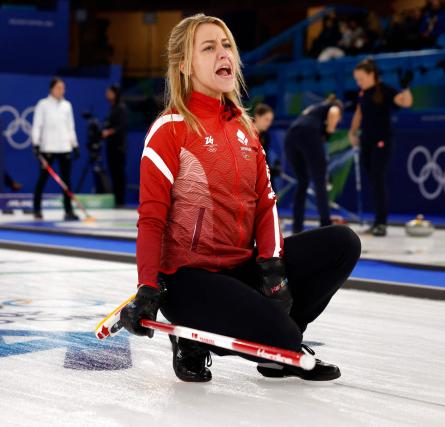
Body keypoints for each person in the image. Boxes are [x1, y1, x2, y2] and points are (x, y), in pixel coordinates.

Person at [120, 14, 361, 383]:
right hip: (189, 278)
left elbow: (266, 203)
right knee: (284, 336)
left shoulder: (245, 128)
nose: (223, 54)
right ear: (185, 65)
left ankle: (282, 348)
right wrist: (148, 287)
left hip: (239, 268)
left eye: (227, 45)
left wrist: (272, 267)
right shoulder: (169, 130)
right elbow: (151, 218)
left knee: (342, 243)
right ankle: (193, 342)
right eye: (209, 47)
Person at [349, 59, 413, 237]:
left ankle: (381, 222)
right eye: (357, 79)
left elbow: (405, 102)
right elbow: (359, 112)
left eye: (361, 78)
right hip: (366, 141)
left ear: (371, 75)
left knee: (378, 178)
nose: (358, 82)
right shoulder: (363, 93)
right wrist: (352, 132)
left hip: (382, 141)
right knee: (373, 180)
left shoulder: (384, 90)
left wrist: (406, 87)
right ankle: (377, 220)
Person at [284, 95, 342, 234]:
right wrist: (329, 131)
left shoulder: (313, 108)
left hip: (291, 136)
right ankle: (326, 226)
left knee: (302, 182)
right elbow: (334, 113)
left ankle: (297, 227)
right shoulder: (334, 107)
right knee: (320, 182)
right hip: (308, 135)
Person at [31, 77, 80, 221]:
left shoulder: (67, 105)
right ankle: (37, 208)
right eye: (59, 88)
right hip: (48, 148)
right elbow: (37, 125)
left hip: (64, 147)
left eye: (63, 88)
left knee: (66, 181)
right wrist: (36, 144)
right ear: (51, 89)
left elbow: (70, 127)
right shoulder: (43, 104)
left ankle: (68, 210)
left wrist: (74, 145)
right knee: (42, 179)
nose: (62, 91)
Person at [102, 84, 128, 207]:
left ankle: (120, 200)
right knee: (113, 172)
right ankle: (116, 198)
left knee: (119, 173)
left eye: (109, 92)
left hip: (118, 147)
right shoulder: (112, 108)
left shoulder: (121, 108)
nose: (107, 94)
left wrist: (108, 132)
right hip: (111, 147)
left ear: (115, 94)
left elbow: (121, 127)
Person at [252, 103, 280, 190]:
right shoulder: (245, 133)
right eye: (266, 119)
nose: (268, 123)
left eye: (270, 121)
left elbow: (264, 161)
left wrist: (272, 189)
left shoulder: (266, 136)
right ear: (257, 116)